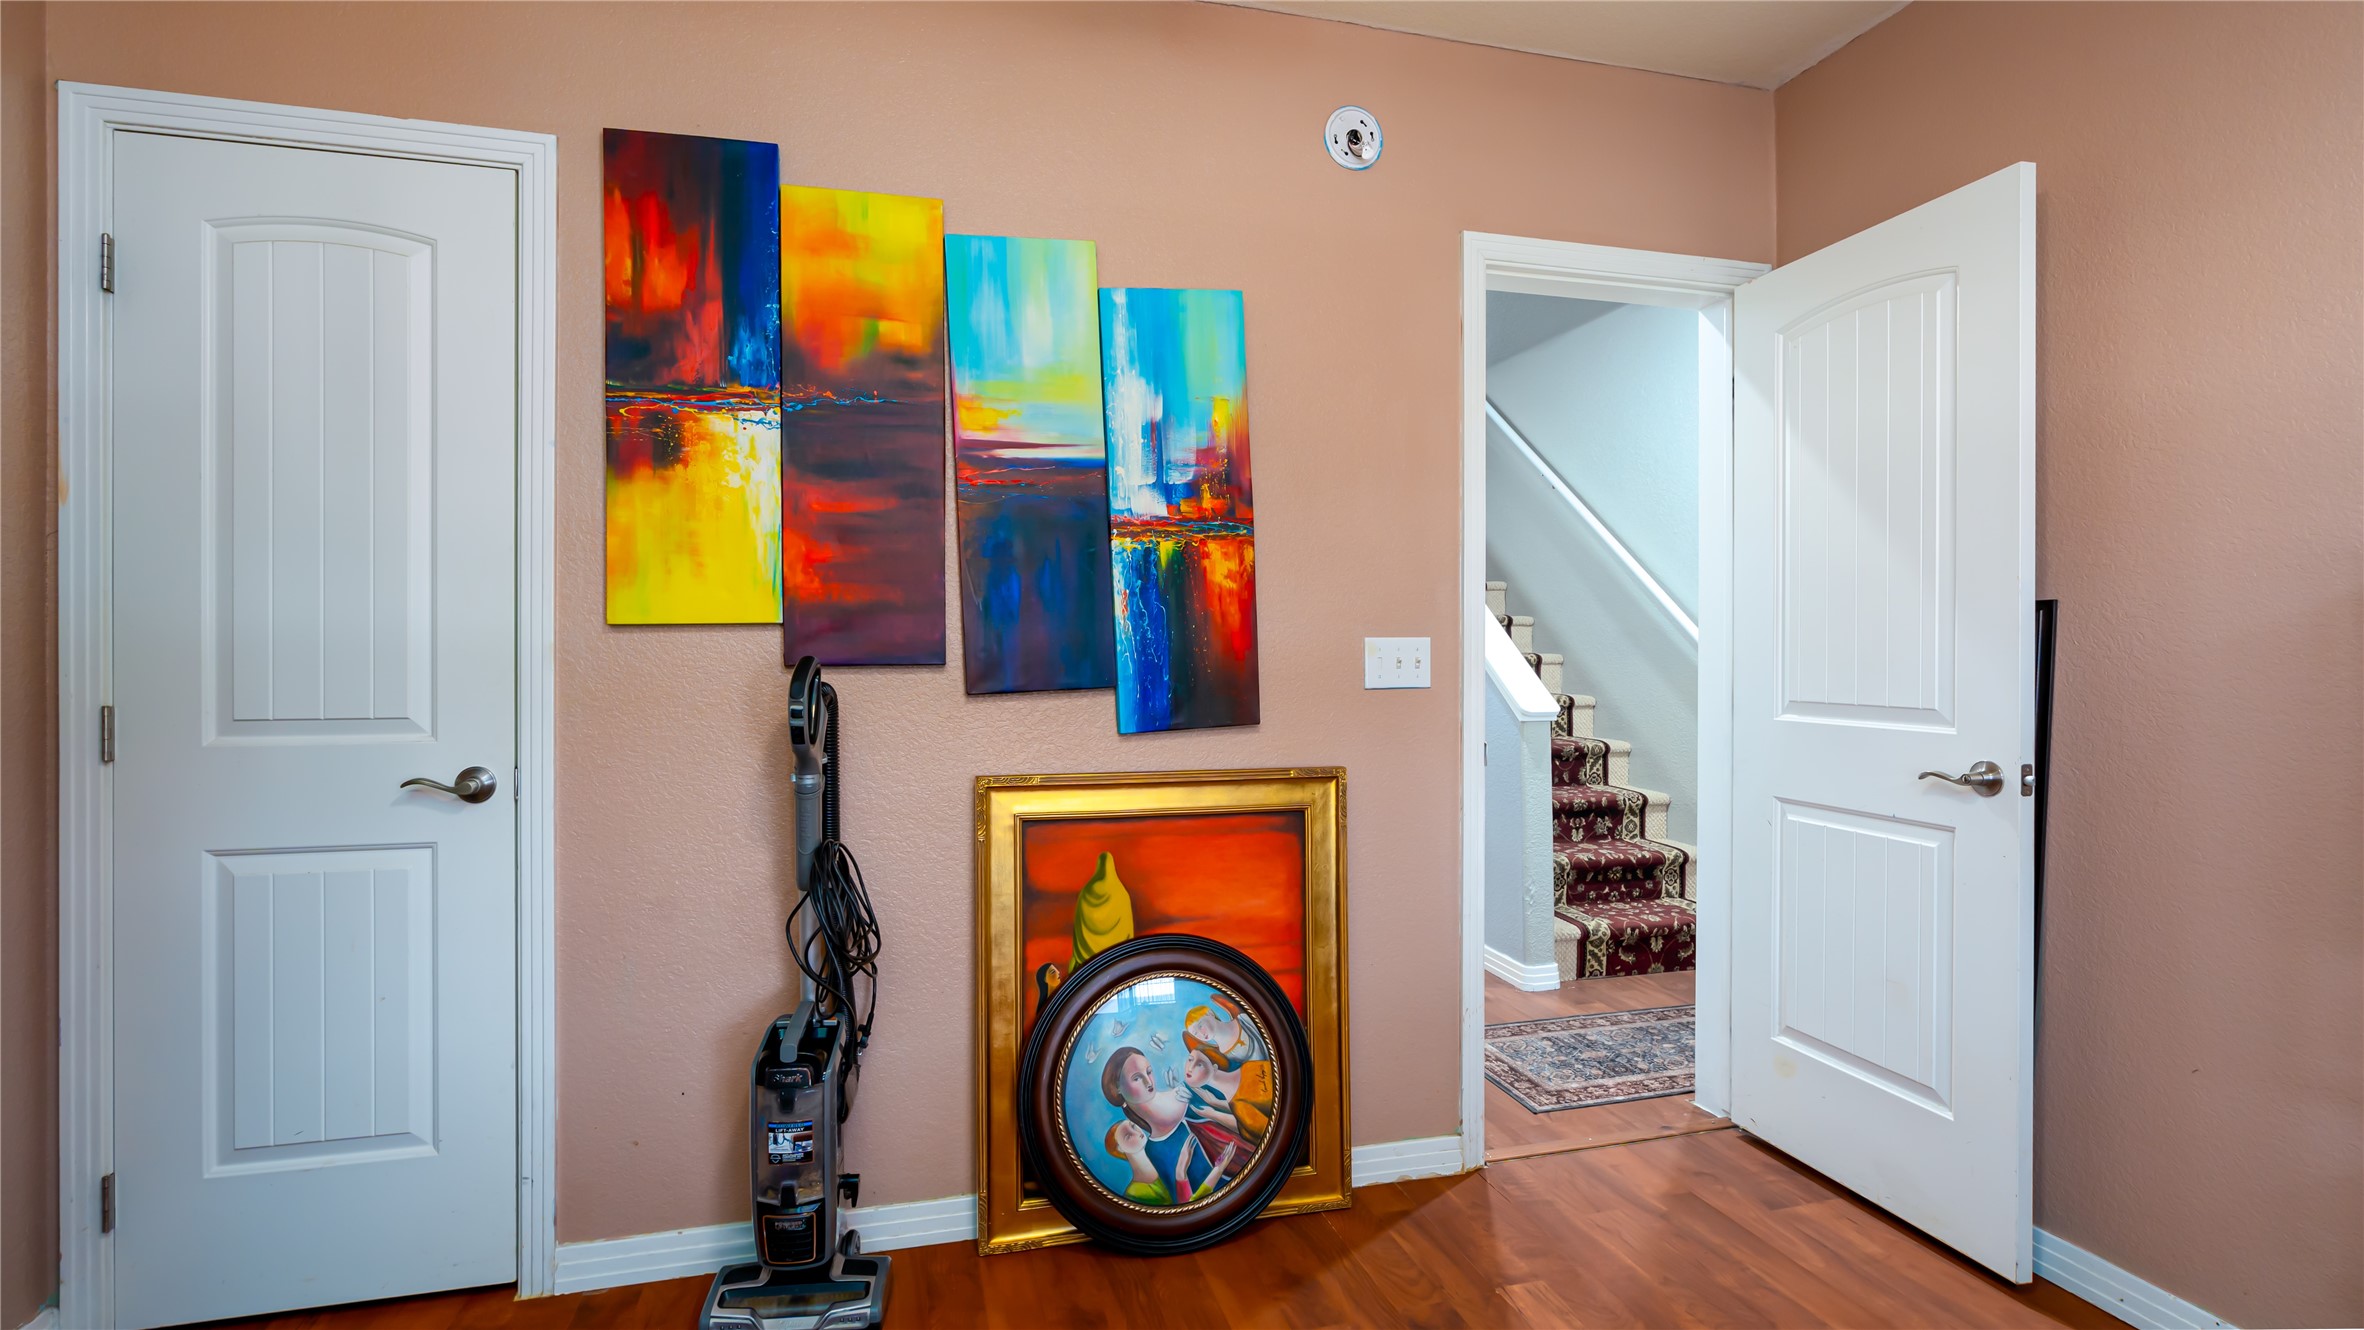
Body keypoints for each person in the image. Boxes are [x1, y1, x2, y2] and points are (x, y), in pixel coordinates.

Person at [1099, 1046, 1235, 1204]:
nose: (1148, 1081)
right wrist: (1182, 1173)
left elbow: (1241, 1113)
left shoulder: (1190, 1092)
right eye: (1136, 1078)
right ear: (1117, 1089)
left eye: (1149, 1072)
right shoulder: (1153, 1151)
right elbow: (1186, 1203)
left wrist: (1214, 1110)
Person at [1182, 1031, 1276, 1146]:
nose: (1190, 1068)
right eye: (1190, 1059)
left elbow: (1269, 1134)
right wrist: (1216, 1103)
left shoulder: (1239, 1105)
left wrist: (1213, 1114)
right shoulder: (1248, 1067)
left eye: (1200, 1064)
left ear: (1215, 1067)